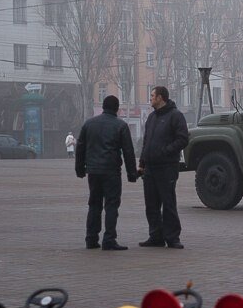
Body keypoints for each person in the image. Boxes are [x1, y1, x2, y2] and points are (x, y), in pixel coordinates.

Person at [75, 95, 138, 251]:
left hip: (93, 171)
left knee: (94, 204)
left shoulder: (89, 124)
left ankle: (91, 238)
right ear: (117, 108)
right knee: (111, 205)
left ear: (103, 107)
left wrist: (80, 169)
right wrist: (132, 174)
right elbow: (128, 151)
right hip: (111, 171)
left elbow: (80, 148)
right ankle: (109, 239)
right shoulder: (121, 126)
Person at [137, 85, 188, 249]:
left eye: (152, 95)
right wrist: (142, 162)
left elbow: (182, 139)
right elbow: (147, 141)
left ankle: (172, 237)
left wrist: (165, 151)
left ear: (160, 98)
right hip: (150, 168)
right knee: (151, 204)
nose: (150, 98)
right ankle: (156, 236)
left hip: (167, 167)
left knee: (168, 203)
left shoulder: (176, 116)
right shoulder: (152, 117)